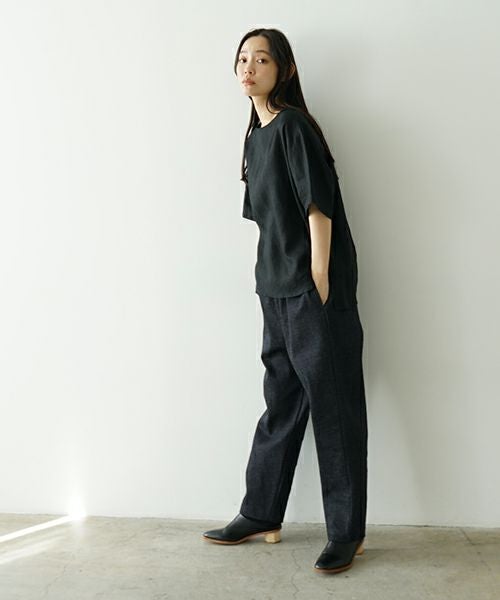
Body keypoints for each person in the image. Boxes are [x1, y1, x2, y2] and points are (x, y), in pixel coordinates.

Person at [202, 28, 368, 575]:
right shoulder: (256, 137)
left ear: (285, 69)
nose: (248, 68)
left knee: (335, 411)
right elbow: (267, 221)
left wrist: (319, 274)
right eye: (242, 60)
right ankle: (261, 513)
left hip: (312, 289)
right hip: (274, 289)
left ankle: (346, 533)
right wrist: (272, 279)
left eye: (261, 59)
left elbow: (318, 207)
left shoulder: (294, 126)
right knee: (281, 405)